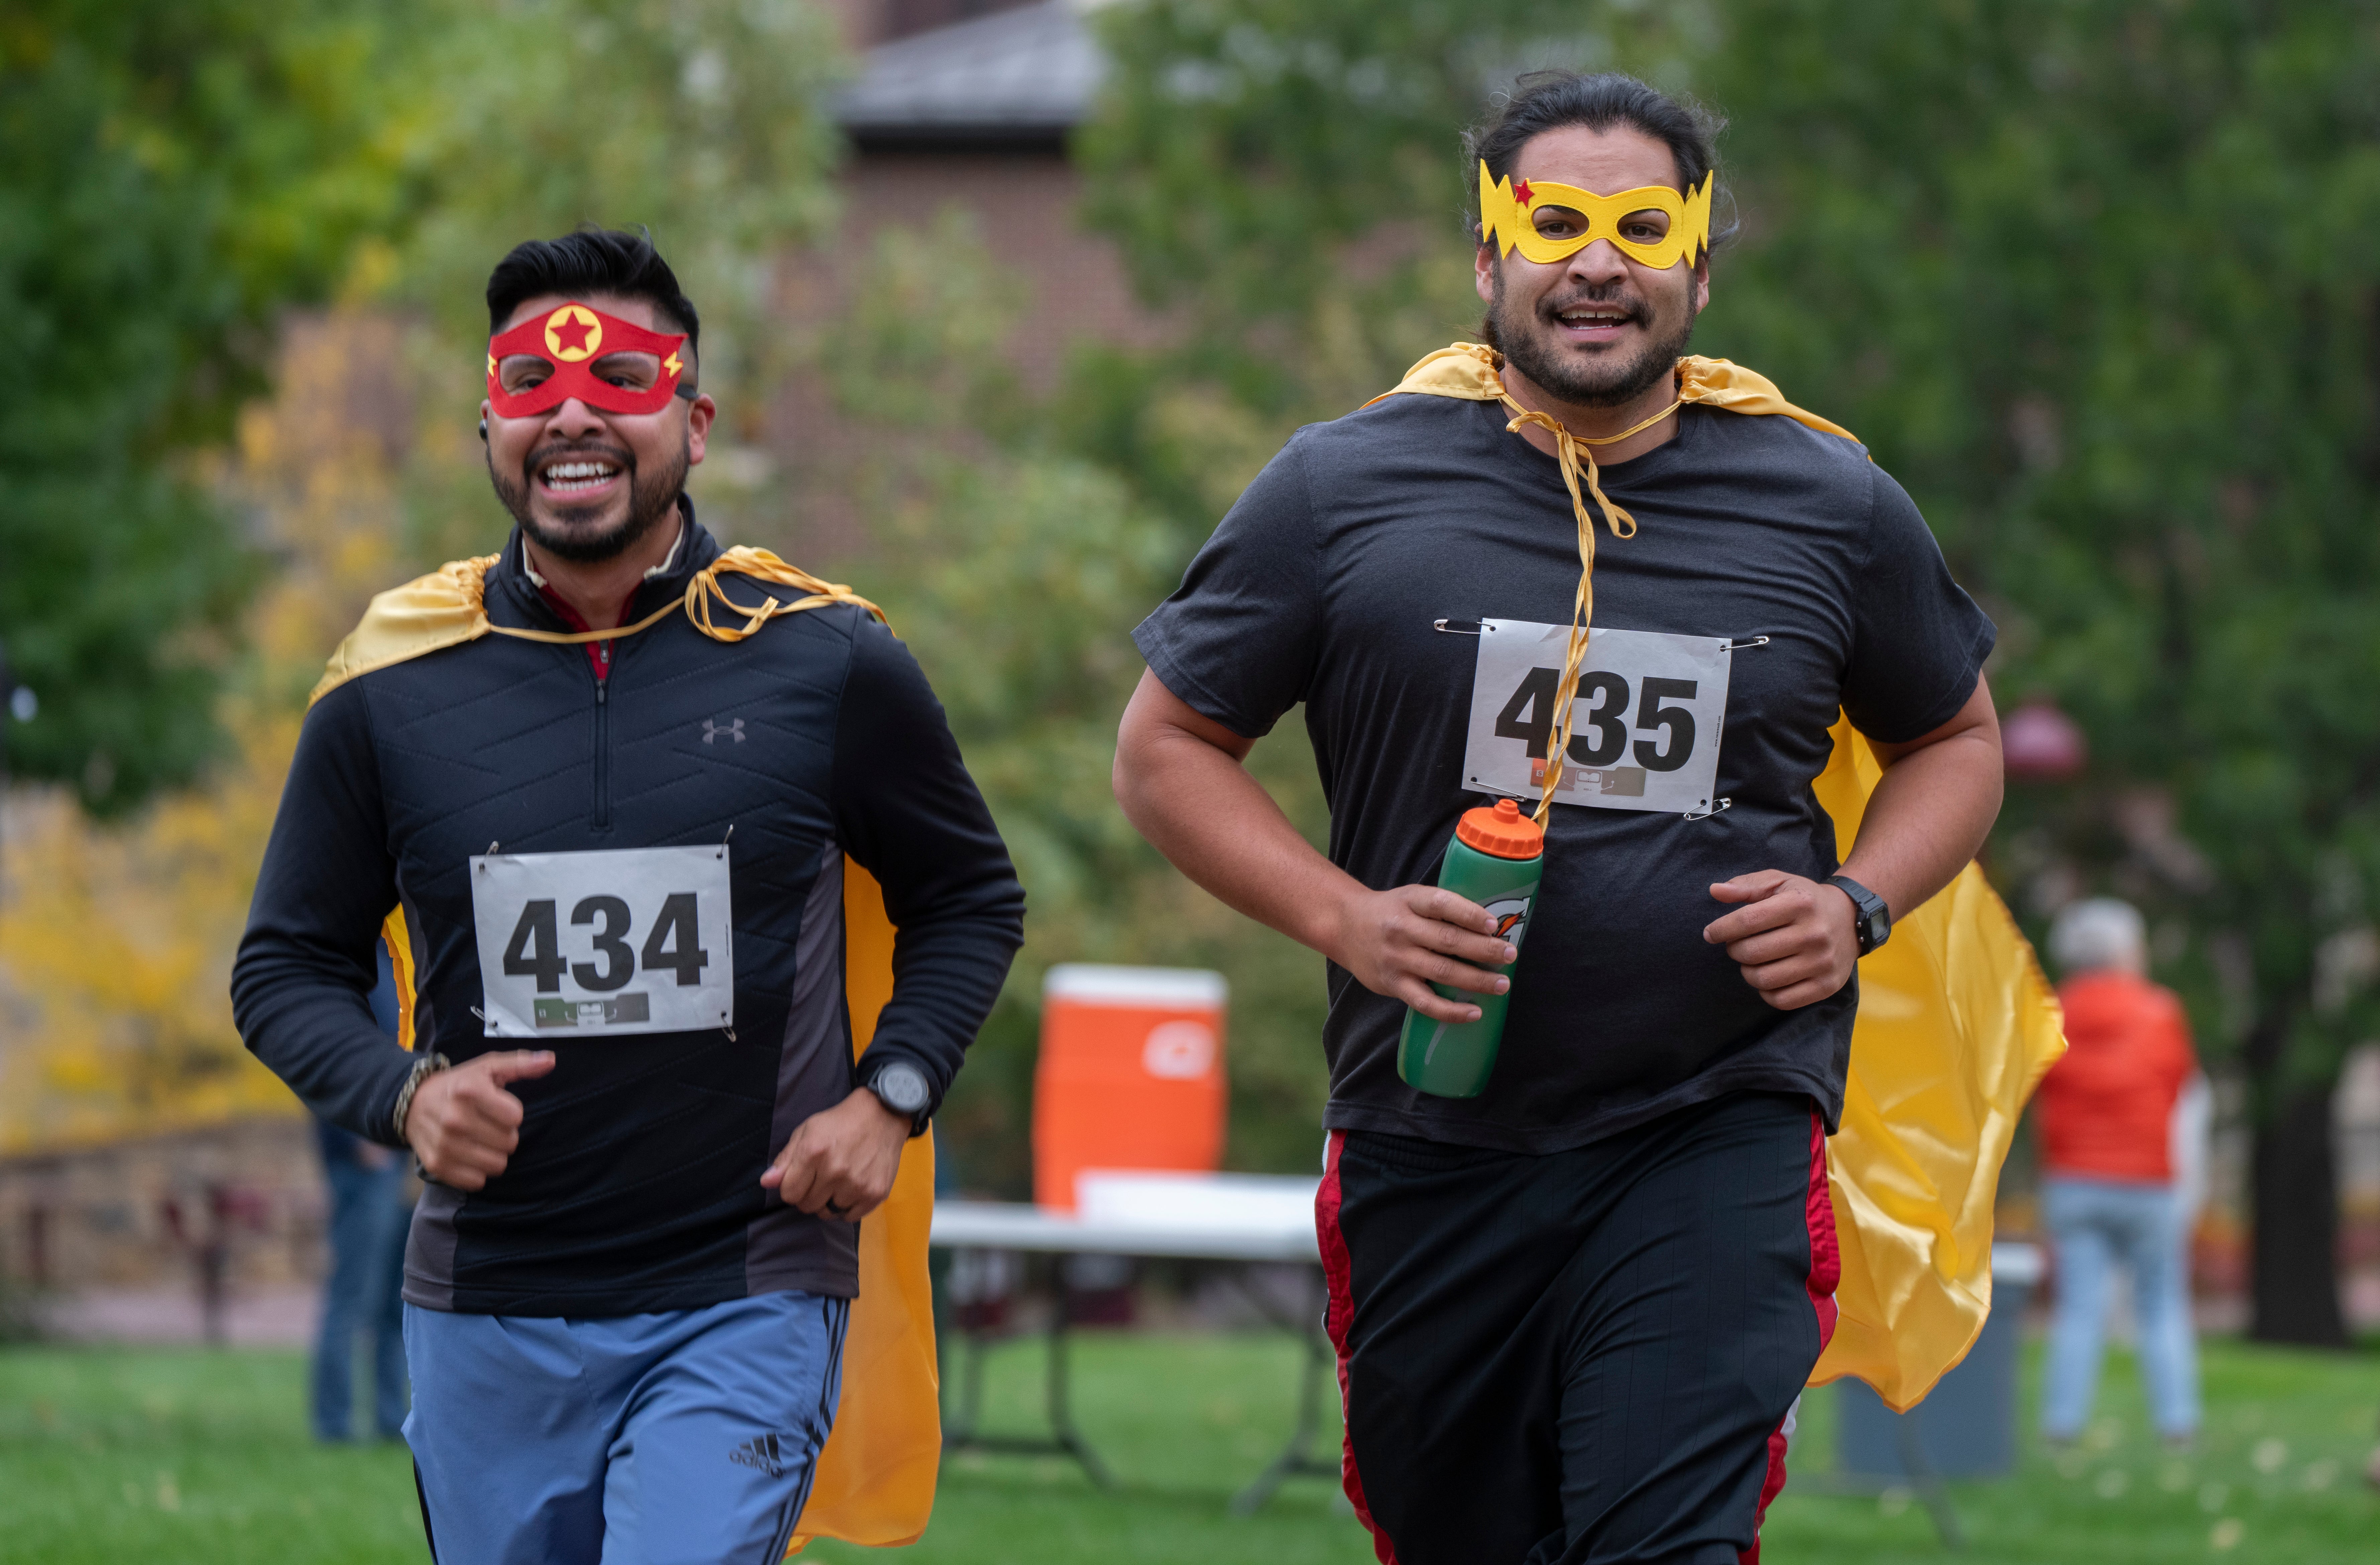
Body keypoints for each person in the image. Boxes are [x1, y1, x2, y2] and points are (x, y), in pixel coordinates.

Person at [1113, 72, 2006, 1564]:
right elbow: (1166, 748)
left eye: (1644, 228)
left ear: (1699, 266)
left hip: (1715, 1116)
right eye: (1556, 224)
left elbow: (1956, 737)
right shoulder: (1342, 486)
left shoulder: (1828, 498)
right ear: (1487, 259)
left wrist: (1858, 905)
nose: (1598, 263)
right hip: (1433, 1134)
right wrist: (1347, 916)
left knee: (1666, 1540)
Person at [232, 228, 1023, 1563]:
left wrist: (890, 1096)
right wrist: (406, 1095)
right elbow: (282, 969)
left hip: (745, 1283)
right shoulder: (388, 684)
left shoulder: (824, 657)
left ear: (696, 422)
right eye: (533, 383)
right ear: (489, 424)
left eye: (626, 381)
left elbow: (969, 897)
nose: (577, 414)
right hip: (486, 1296)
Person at [2034, 897, 2201, 1447]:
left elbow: (2034, 1088)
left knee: (2079, 1307)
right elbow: (2179, 1085)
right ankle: (2176, 1423)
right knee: (2161, 1304)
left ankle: (2063, 1423)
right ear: (2127, 951)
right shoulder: (2160, 1011)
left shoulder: (2050, 1012)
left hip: (2074, 1179)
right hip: (2147, 1181)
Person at [308, 938, 415, 1444]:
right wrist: (361, 1139)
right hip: (366, 1161)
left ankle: (392, 1420)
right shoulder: (348, 955)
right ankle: (333, 1424)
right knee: (352, 1297)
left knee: (399, 1300)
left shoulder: (405, 952)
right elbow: (325, 1049)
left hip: (404, 1158)